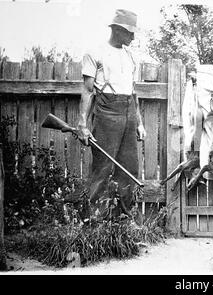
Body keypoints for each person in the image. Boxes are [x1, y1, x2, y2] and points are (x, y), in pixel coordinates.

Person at [76, 9, 146, 218]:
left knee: (129, 169)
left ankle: (122, 220)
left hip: (129, 112)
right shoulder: (94, 53)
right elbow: (88, 91)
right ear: (117, 29)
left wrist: (139, 123)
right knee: (103, 168)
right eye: (129, 32)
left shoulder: (131, 56)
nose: (133, 37)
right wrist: (82, 124)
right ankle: (95, 222)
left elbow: (133, 93)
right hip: (107, 112)